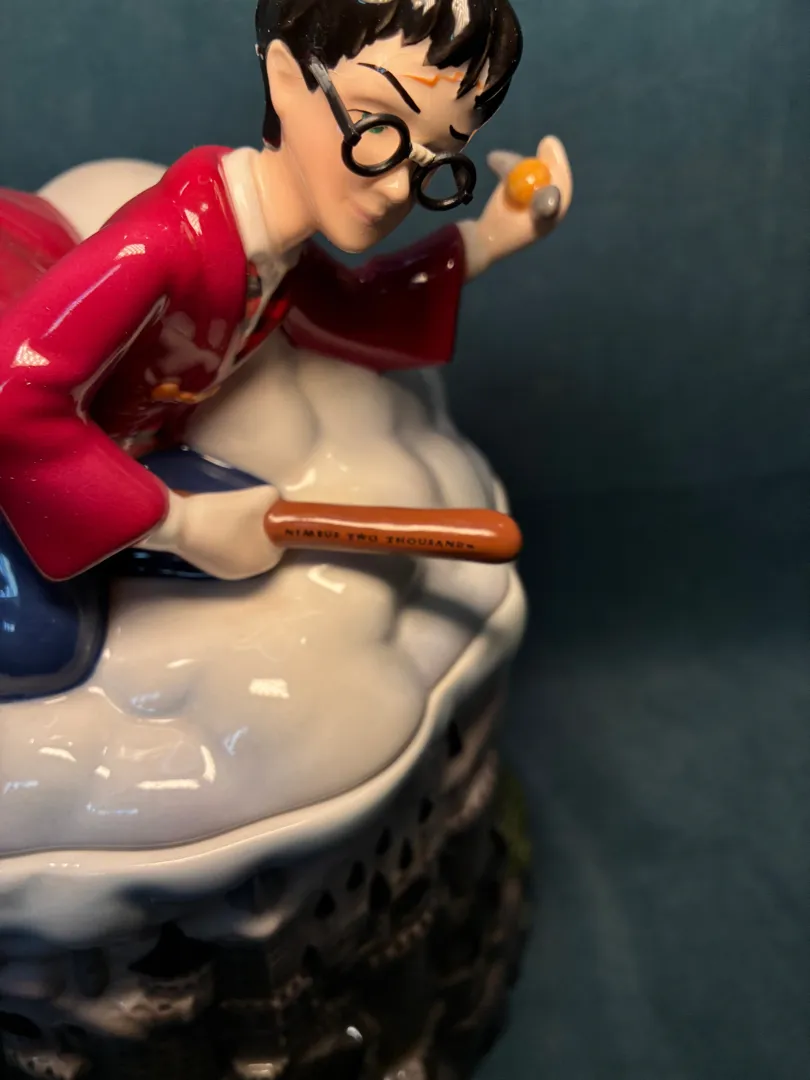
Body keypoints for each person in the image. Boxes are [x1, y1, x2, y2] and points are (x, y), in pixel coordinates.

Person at [0, 0, 572, 696]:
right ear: (284, 76)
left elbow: (351, 310)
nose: (398, 186)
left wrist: (489, 237)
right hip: (24, 469)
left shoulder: (274, 249)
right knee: (42, 642)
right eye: (377, 127)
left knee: (264, 548)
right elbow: (11, 399)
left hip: (119, 458)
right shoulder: (161, 244)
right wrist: (178, 524)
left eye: (436, 161)